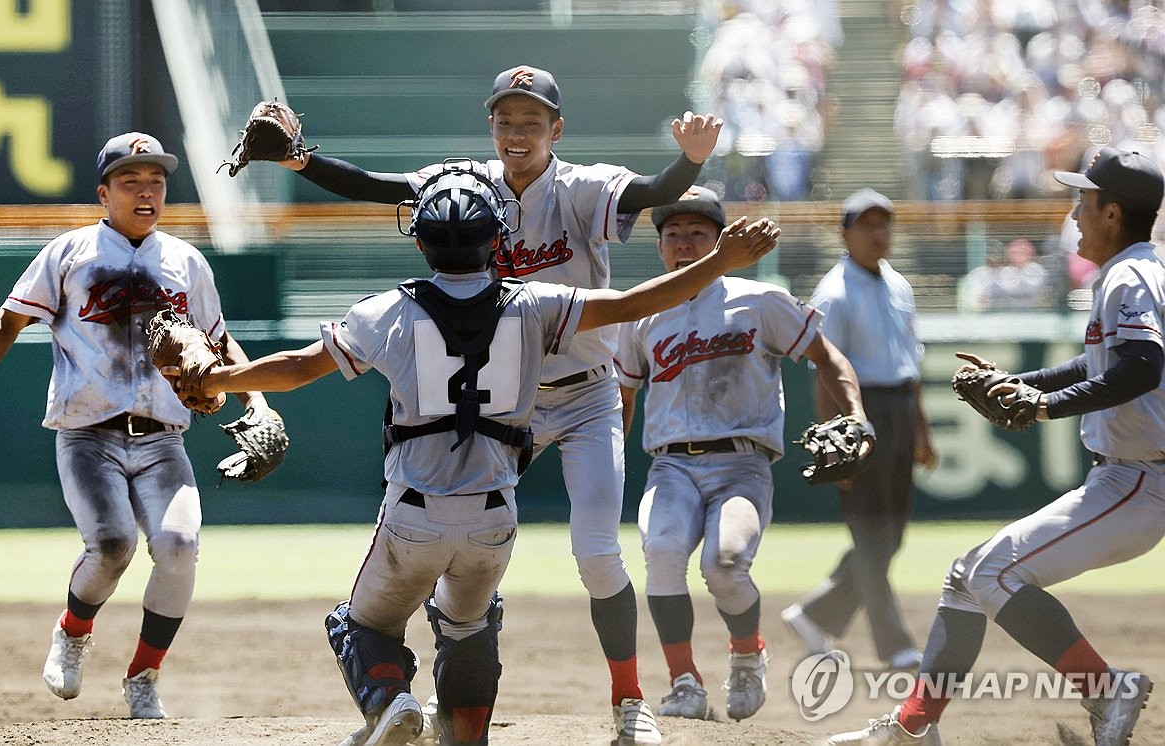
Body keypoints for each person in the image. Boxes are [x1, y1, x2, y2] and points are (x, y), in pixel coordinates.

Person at [168, 167, 780, 746]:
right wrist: (722, 261)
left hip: (413, 512)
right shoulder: (536, 305)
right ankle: (466, 731)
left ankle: (390, 700)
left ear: (423, 243)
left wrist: (219, 378)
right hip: (494, 517)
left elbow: (300, 367)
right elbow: (630, 306)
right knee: (470, 625)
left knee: (362, 626)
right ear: (497, 241)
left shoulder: (387, 310)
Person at [267, 65, 724, 743]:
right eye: (506, 120)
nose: (517, 132)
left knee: (597, 553)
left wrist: (688, 162)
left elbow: (653, 193)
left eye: (531, 121)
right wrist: (301, 160)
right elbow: (374, 188)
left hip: (587, 392)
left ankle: (629, 702)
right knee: (458, 526)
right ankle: (455, 694)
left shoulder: (581, 186)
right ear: (491, 125)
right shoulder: (466, 183)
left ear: (555, 129)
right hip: (506, 403)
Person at [827, 147, 1164, 745]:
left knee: (996, 573)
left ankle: (1106, 690)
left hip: (1139, 479)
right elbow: (1100, 361)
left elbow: (1142, 365)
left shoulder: (1129, 274)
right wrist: (1024, 384)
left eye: (1083, 201)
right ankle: (912, 728)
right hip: (1126, 476)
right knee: (967, 576)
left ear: (1112, 213)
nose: (1073, 213)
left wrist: (1044, 405)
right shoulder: (1135, 270)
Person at [0, 132, 274, 719]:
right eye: (131, 181)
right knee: (111, 546)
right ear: (104, 193)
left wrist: (255, 401)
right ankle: (73, 632)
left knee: (179, 547)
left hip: (163, 438)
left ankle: (143, 678)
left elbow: (219, 339)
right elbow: (7, 322)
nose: (146, 191)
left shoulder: (186, 261)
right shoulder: (69, 253)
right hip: (87, 434)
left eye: (155, 181)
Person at [613, 187, 869, 723]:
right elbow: (625, 395)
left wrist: (855, 415)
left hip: (742, 465)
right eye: (673, 235)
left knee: (725, 563)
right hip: (671, 465)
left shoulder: (759, 300)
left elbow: (828, 357)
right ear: (660, 246)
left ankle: (747, 655)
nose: (684, 244)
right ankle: (685, 683)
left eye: (698, 234)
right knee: (661, 552)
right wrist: (607, 461)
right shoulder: (642, 311)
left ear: (721, 241)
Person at [781, 188, 937, 672]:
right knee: (872, 535)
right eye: (867, 224)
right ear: (845, 233)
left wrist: (921, 430)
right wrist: (837, 442)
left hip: (898, 407)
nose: (878, 233)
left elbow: (910, 366)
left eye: (884, 223)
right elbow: (824, 371)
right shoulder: (834, 291)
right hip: (860, 411)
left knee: (889, 536)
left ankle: (814, 614)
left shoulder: (899, 285)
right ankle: (894, 646)